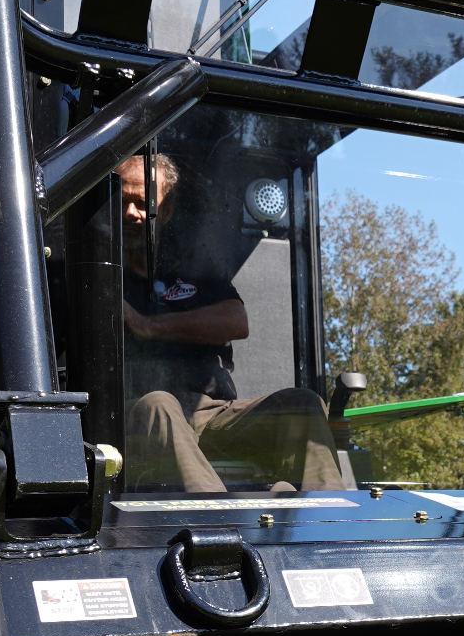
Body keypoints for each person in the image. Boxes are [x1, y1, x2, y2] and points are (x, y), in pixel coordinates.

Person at [110, 152, 341, 493]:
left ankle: (326, 531)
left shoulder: (189, 271)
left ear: (167, 210)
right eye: (123, 201)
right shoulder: (97, 276)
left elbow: (236, 320)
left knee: (303, 405)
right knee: (161, 404)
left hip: (208, 412)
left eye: (143, 203)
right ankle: (221, 535)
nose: (131, 213)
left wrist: (148, 326)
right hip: (134, 415)